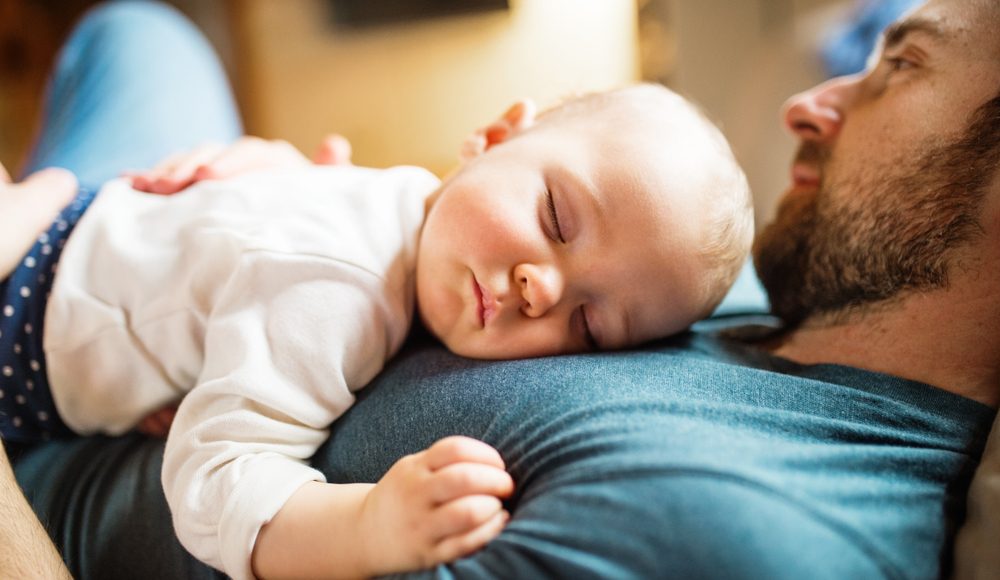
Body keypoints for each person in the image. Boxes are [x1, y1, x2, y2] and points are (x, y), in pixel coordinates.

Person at [7, 0, 999, 578]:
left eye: (901, 66)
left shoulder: (743, 531)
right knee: (142, 27)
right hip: (157, 249)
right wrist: (291, 202)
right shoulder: (758, 278)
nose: (806, 102)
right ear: (494, 133)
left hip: (40, 397)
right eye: (558, 220)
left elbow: (225, 490)